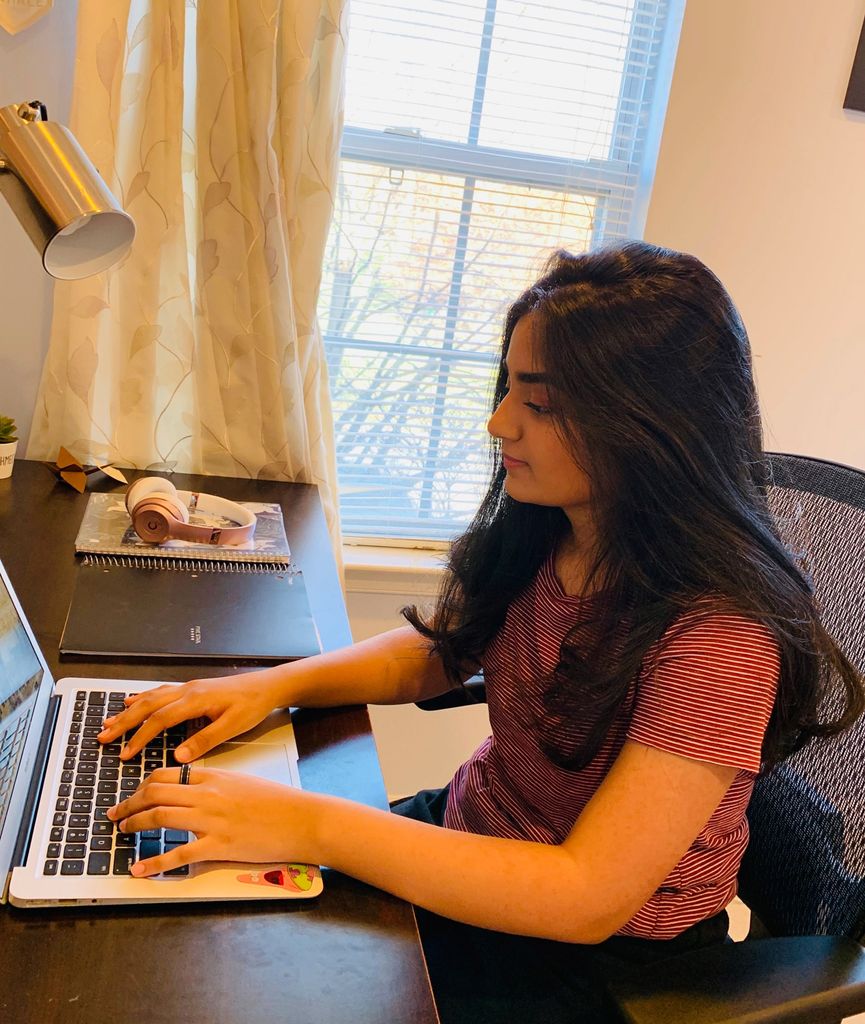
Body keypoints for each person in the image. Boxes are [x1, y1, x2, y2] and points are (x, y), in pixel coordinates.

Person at [98, 241, 863, 1024]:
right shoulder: (556, 529)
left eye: (538, 403)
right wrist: (268, 686)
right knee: (206, 912)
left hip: (588, 959)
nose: (500, 422)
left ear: (645, 423)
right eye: (507, 390)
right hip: (473, 836)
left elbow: (585, 895)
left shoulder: (719, 636)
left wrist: (308, 823)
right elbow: (445, 650)